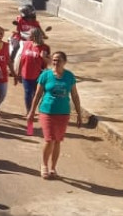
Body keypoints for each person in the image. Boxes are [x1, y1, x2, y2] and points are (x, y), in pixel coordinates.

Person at [26, 50, 84, 180]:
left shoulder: (69, 76)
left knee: (57, 140)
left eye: (59, 60)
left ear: (65, 62)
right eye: (54, 59)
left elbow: (74, 95)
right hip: (47, 111)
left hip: (63, 113)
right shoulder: (45, 75)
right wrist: (31, 112)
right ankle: (44, 165)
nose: (56, 62)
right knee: (49, 139)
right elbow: (37, 95)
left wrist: (79, 114)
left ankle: (53, 168)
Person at [14, 29, 50, 114]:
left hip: (38, 75)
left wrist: (44, 57)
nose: (28, 36)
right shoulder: (26, 44)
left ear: (34, 36)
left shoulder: (45, 47)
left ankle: (34, 109)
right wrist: (18, 73)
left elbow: (49, 62)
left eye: (30, 34)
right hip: (25, 74)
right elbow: (21, 58)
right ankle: (29, 111)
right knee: (28, 93)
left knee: (37, 94)